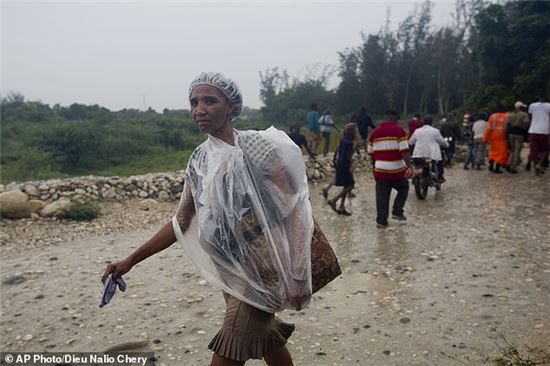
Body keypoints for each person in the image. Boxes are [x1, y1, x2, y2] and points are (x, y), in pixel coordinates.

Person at [102, 72, 314, 366]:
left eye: (209, 101)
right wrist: (130, 260)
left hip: (265, 267)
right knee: (266, 336)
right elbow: (182, 220)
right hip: (229, 270)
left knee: (232, 343)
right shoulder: (199, 159)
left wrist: (299, 270)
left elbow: (295, 206)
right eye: (194, 102)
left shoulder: (255, 147)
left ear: (230, 106)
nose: (199, 109)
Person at [368, 110, 412, 228]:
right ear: (395, 118)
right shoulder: (399, 130)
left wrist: (376, 165)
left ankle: (381, 222)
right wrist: (409, 167)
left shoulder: (374, 133)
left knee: (382, 195)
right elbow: (405, 152)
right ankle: (397, 211)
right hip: (396, 169)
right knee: (404, 187)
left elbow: (370, 152)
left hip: (380, 169)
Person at [408, 115, 449, 182]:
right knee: (440, 163)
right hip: (432, 155)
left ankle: (415, 178)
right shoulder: (435, 131)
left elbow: (410, 142)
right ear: (431, 122)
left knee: (417, 165)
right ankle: (440, 176)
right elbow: (442, 142)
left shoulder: (417, 131)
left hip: (418, 154)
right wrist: (447, 145)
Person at [327, 123, 356, 216]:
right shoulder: (349, 143)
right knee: (350, 185)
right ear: (351, 132)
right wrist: (351, 166)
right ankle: (334, 200)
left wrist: (334, 160)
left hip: (340, 163)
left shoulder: (343, 140)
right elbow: (348, 156)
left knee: (346, 185)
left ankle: (342, 207)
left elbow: (337, 151)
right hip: (345, 165)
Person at [527, 97, 550, 176]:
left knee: (534, 150)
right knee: (545, 149)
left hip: (533, 130)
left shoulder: (532, 105)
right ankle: (539, 164)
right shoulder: (549, 106)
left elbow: (530, 116)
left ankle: (535, 165)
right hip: (544, 130)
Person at [506, 101, 530, 174]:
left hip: (511, 133)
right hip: (519, 133)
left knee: (512, 150)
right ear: (520, 107)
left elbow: (507, 124)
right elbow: (527, 123)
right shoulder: (524, 114)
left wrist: (507, 134)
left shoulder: (510, 115)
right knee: (517, 151)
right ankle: (513, 167)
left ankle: (508, 163)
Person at [483, 107, 509, 174]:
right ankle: (497, 168)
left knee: (492, 151)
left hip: (493, 137)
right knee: (502, 152)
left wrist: (485, 138)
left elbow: (488, 128)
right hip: (501, 137)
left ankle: (491, 165)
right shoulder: (506, 116)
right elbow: (508, 128)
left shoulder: (492, 116)